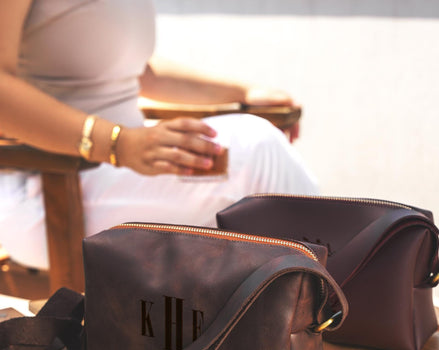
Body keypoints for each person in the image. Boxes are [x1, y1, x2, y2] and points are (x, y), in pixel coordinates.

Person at [0, 0, 318, 269]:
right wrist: (119, 144)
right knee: (257, 152)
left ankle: (311, 308)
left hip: (114, 173)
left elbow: (139, 71)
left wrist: (245, 93)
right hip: (45, 187)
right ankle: (339, 305)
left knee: (255, 172)